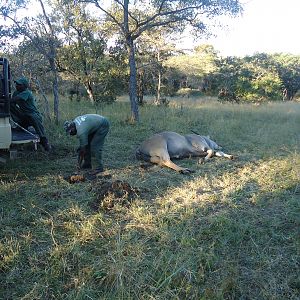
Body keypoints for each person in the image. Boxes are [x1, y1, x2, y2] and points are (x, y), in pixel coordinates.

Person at [10, 77, 51, 151]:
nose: (17, 85)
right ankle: (21, 124)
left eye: (19, 84)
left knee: (35, 119)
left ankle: (44, 141)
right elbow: (12, 103)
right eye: (16, 84)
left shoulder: (27, 93)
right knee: (10, 106)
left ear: (24, 86)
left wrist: (5, 99)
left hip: (32, 113)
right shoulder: (16, 92)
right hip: (24, 113)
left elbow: (15, 99)